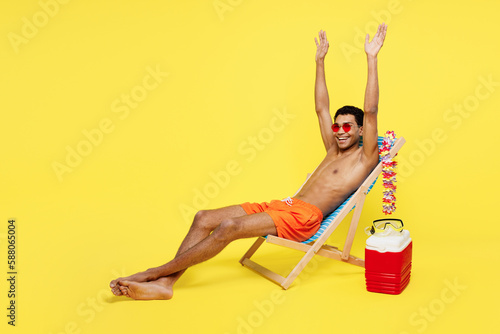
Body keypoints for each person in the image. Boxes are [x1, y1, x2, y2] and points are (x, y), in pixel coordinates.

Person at [110, 23, 388, 300]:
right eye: (337, 127)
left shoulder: (364, 158)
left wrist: (371, 58)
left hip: (304, 218)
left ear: (362, 130)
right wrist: (319, 62)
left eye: (347, 127)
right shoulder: (332, 149)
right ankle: (166, 284)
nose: (339, 131)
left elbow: (371, 110)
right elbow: (321, 108)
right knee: (203, 218)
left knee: (228, 228)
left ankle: (153, 273)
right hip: (285, 205)